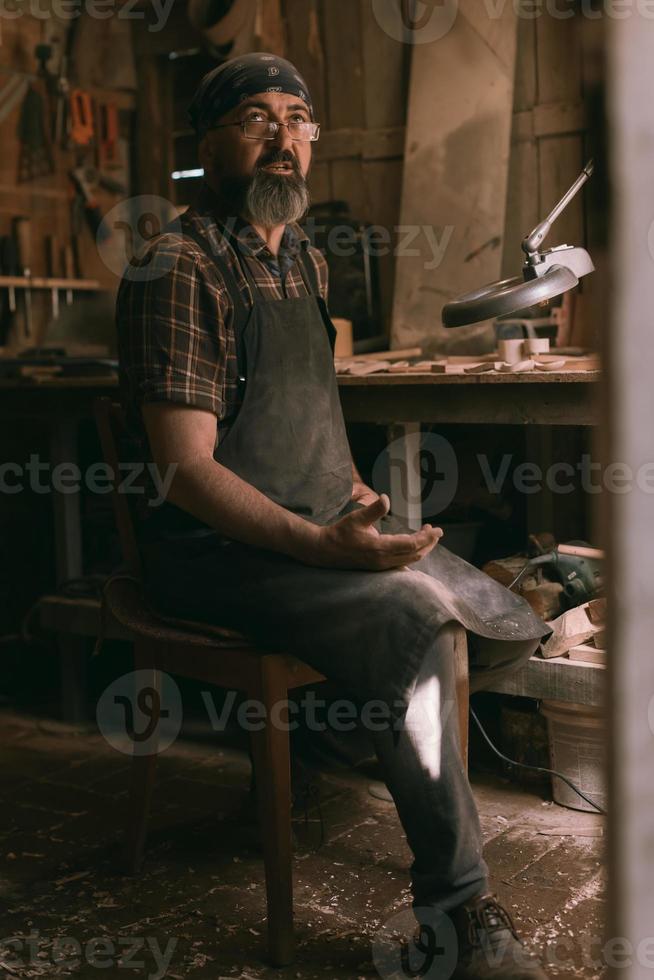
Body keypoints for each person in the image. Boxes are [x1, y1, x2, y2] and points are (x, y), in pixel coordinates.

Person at [116, 52, 551, 979]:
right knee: (423, 624)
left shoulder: (304, 257)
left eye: (299, 118)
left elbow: (310, 418)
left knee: (507, 614)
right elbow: (187, 474)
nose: (284, 138)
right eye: (256, 119)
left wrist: (352, 492)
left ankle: (314, 744)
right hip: (210, 550)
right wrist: (322, 544)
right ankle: (458, 905)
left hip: (313, 528)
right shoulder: (176, 267)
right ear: (210, 144)